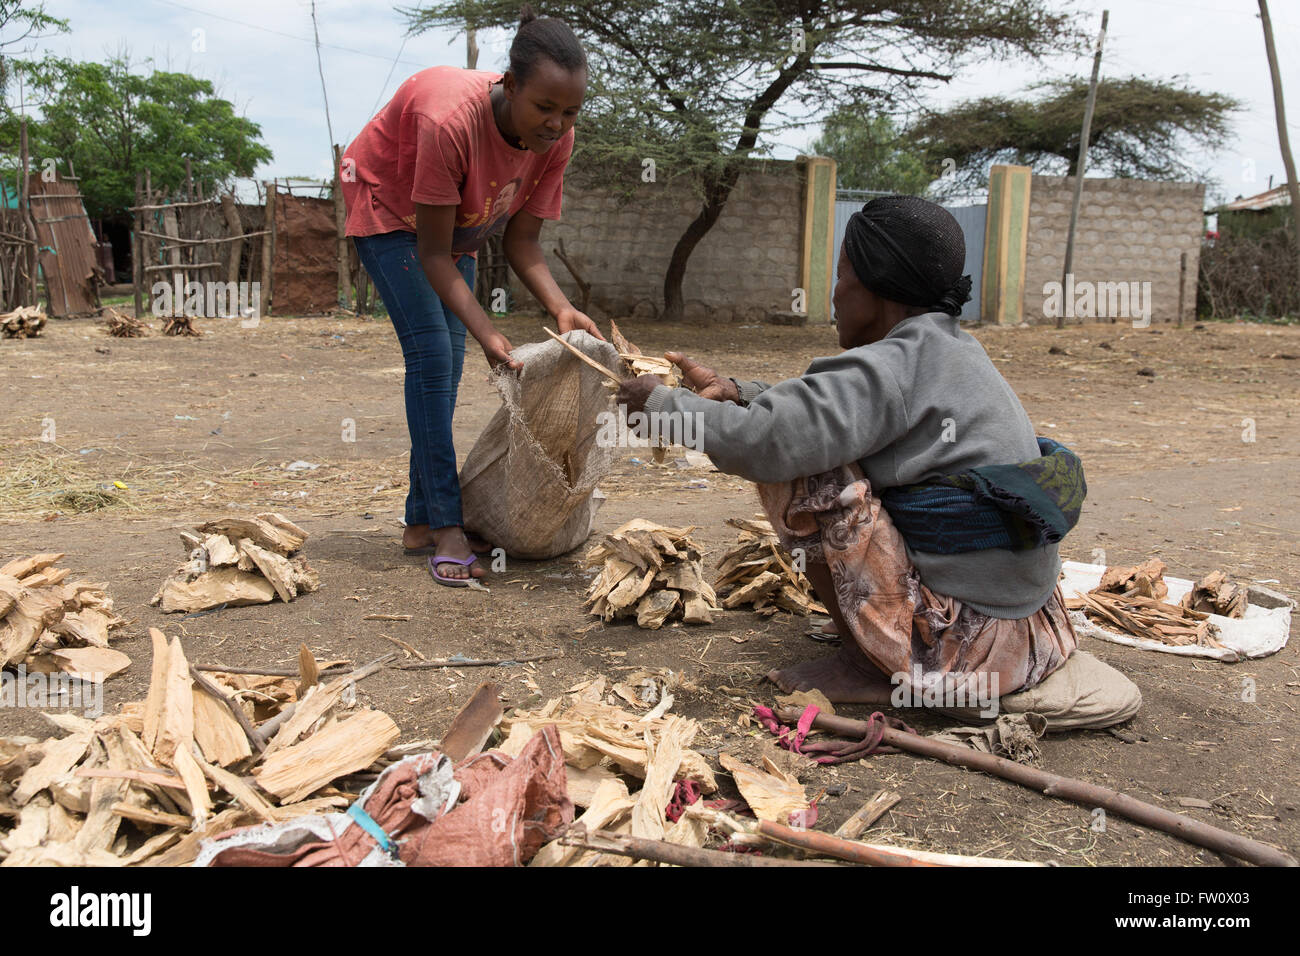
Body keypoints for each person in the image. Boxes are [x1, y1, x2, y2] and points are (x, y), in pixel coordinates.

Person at [617, 196, 1139, 726]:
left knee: (807, 468)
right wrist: (738, 392)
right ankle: (887, 641)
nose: (835, 293)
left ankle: (872, 665)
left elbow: (773, 440)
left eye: (842, 275)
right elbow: (837, 412)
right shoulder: (951, 350)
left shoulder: (895, 365)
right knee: (815, 443)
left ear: (876, 287)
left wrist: (661, 406)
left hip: (962, 653)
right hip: (1033, 635)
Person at [342, 7, 603, 587]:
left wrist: (560, 307)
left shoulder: (556, 139)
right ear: (508, 85)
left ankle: (418, 522)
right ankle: (445, 522)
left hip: (454, 222)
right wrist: (489, 332)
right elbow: (433, 256)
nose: (556, 124)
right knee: (435, 355)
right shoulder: (449, 123)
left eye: (570, 111)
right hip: (390, 207)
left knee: (447, 364)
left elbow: (524, 242)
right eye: (544, 107)